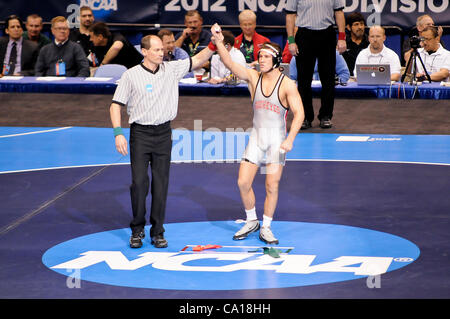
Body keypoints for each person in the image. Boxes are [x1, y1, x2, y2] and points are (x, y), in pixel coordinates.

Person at [110, 32, 218, 249]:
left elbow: (197, 60)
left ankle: (157, 231)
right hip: (139, 134)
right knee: (139, 183)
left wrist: (214, 44)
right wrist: (118, 133)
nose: (163, 52)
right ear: (145, 52)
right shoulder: (131, 75)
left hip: (163, 134)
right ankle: (137, 229)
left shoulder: (171, 69)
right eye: (157, 50)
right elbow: (115, 105)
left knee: (161, 184)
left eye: (163, 49)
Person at [211, 24, 304, 245]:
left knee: (272, 185)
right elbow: (230, 63)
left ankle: (267, 226)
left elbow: (300, 114)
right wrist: (218, 39)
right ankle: (251, 220)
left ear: (275, 61)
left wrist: (290, 139)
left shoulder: (287, 85)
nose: (260, 60)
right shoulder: (254, 77)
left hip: (277, 142)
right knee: (243, 182)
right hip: (257, 137)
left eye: (264, 57)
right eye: (259, 56)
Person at [285, 0, 346, 130]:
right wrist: (291, 40)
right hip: (304, 35)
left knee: (328, 79)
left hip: (327, 34)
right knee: (303, 80)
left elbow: (339, 12)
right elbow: (290, 15)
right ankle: (305, 117)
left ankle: (326, 116)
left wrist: (341, 37)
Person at [342, 12, 369, 77]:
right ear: (349, 27)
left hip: (367, 78)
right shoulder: (343, 43)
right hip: (347, 78)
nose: (360, 27)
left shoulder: (370, 42)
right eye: (356, 24)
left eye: (362, 24)